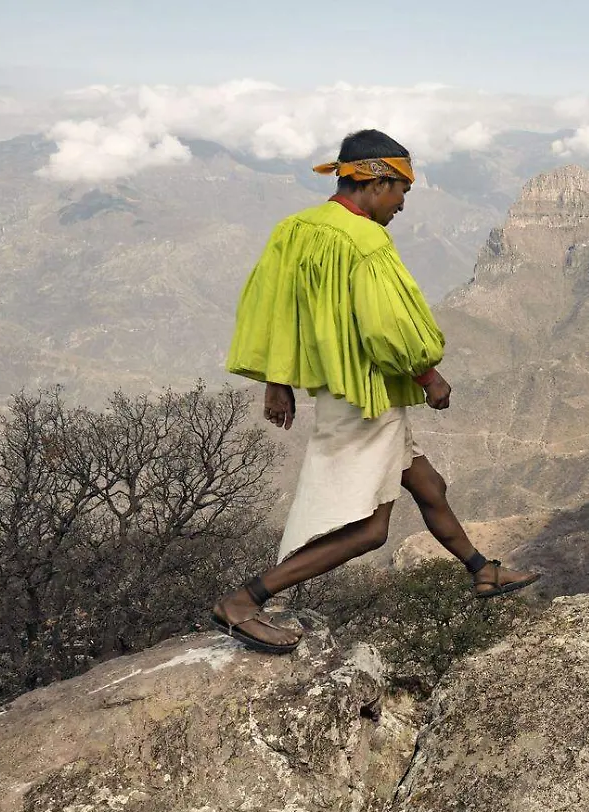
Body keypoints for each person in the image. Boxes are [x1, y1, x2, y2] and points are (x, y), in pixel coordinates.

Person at [208, 129, 538, 655]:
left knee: (427, 483)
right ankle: (244, 601)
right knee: (370, 531)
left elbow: (276, 308)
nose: (403, 205)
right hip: (367, 397)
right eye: (401, 191)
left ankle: (482, 571)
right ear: (377, 181)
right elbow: (389, 329)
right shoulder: (367, 242)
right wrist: (429, 376)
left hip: (341, 389)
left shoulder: (297, 229)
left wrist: (279, 380)